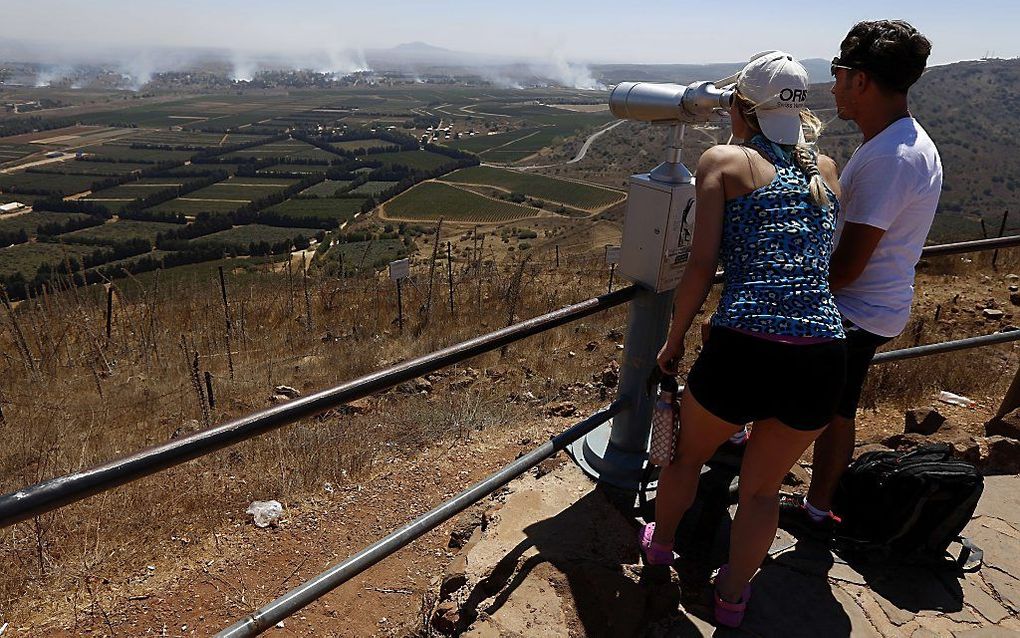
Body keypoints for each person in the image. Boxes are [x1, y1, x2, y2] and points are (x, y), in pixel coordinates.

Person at [639, 51, 846, 628]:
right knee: (761, 493)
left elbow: (702, 264)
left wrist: (673, 339)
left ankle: (661, 548)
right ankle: (731, 599)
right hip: (821, 353)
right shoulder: (826, 169)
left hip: (744, 345)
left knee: (686, 458)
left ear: (740, 107)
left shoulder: (724, 162)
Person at [781, 20, 942, 534]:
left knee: (784, 400)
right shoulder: (903, 143)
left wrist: (787, 293)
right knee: (838, 410)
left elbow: (848, 268)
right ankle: (817, 507)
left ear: (862, 81)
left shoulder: (890, 160)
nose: (832, 86)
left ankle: (760, 495)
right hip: (877, 305)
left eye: (839, 73)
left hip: (854, 310)